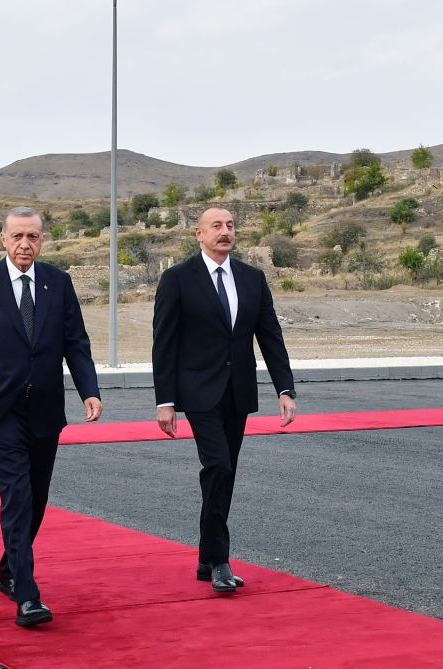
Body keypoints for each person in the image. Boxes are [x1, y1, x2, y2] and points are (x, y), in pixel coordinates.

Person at [0, 207, 103, 627]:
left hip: (46, 410)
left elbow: (76, 342)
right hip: (0, 409)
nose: (24, 244)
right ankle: (27, 595)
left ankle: (8, 569)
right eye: (17, 237)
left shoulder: (59, 283)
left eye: (32, 237)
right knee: (18, 497)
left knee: (39, 498)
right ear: (3, 239)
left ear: (42, 240)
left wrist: (89, 391)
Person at [152, 207, 296, 593]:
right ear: (199, 234)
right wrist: (165, 400)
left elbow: (270, 335)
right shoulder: (177, 279)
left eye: (230, 225)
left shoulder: (252, 279)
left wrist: (285, 388)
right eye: (216, 226)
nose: (225, 231)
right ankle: (219, 560)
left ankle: (204, 557)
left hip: (238, 391)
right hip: (197, 392)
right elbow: (163, 344)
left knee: (225, 471)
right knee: (217, 465)